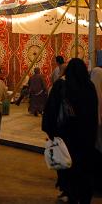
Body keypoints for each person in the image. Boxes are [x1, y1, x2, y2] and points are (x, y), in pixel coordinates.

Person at [43, 58, 98, 203]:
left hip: (66, 137)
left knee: (68, 167)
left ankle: (69, 193)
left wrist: (51, 132)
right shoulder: (89, 87)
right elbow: (93, 113)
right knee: (84, 168)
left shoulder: (61, 86)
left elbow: (51, 111)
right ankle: (85, 197)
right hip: (86, 137)